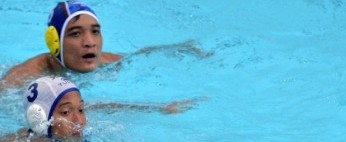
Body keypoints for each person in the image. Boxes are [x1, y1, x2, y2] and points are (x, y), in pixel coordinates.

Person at [0, 76, 195, 142]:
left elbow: (108, 107)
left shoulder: (68, 127)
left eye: (81, 109)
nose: (79, 120)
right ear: (39, 120)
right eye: (66, 113)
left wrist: (160, 109)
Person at [0, 1, 212, 90]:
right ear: (54, 42)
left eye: (95, 31)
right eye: (75, 33)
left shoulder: (105, 61)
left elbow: (141, 56)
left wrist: (183, 49)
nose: (90, 42)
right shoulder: (25, 77)